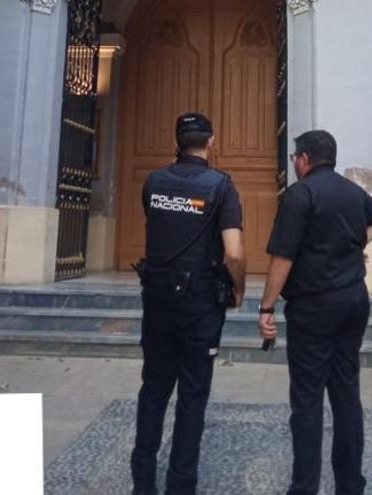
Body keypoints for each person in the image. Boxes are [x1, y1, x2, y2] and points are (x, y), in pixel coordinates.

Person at [257, 130, 372, 495]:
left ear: (305, 158)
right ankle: (350, 484)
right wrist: (353, 245)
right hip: (353, 300)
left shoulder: (300, 193)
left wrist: (267, 306)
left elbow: (282, 256)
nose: (294, 163)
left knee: (308, 399)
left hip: (314, 306)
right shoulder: (350, 190)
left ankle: (304, 487)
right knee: (346, 394)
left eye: (295, 157)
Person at [131, 112, 246, 495]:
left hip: (158, 299)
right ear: (210, 142)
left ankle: (143, 484)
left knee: (153, 389)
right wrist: (239, 290)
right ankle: (181, 484)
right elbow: (234, 251)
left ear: (177, 141)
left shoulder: (154, 182)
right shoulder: (222, 186)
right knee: (193, 395)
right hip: (199, 302)